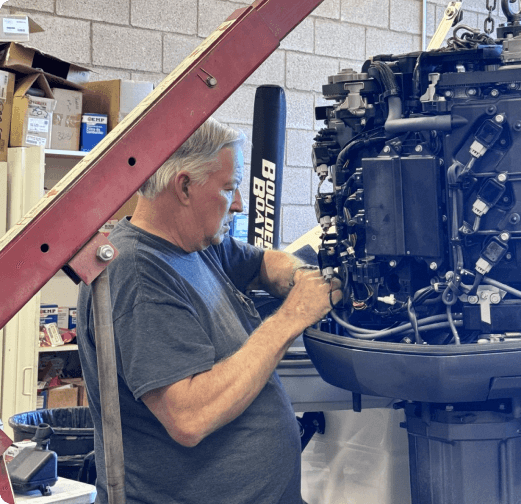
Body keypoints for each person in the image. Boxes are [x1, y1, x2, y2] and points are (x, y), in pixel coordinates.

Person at [77, 117, 341, 504]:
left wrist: (302, 278)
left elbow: (262, 264)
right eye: (228, 188)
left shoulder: (195, 242)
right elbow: (189, 418)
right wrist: (290, 319)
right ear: (183, 186)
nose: (237, 203)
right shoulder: (138, 273)